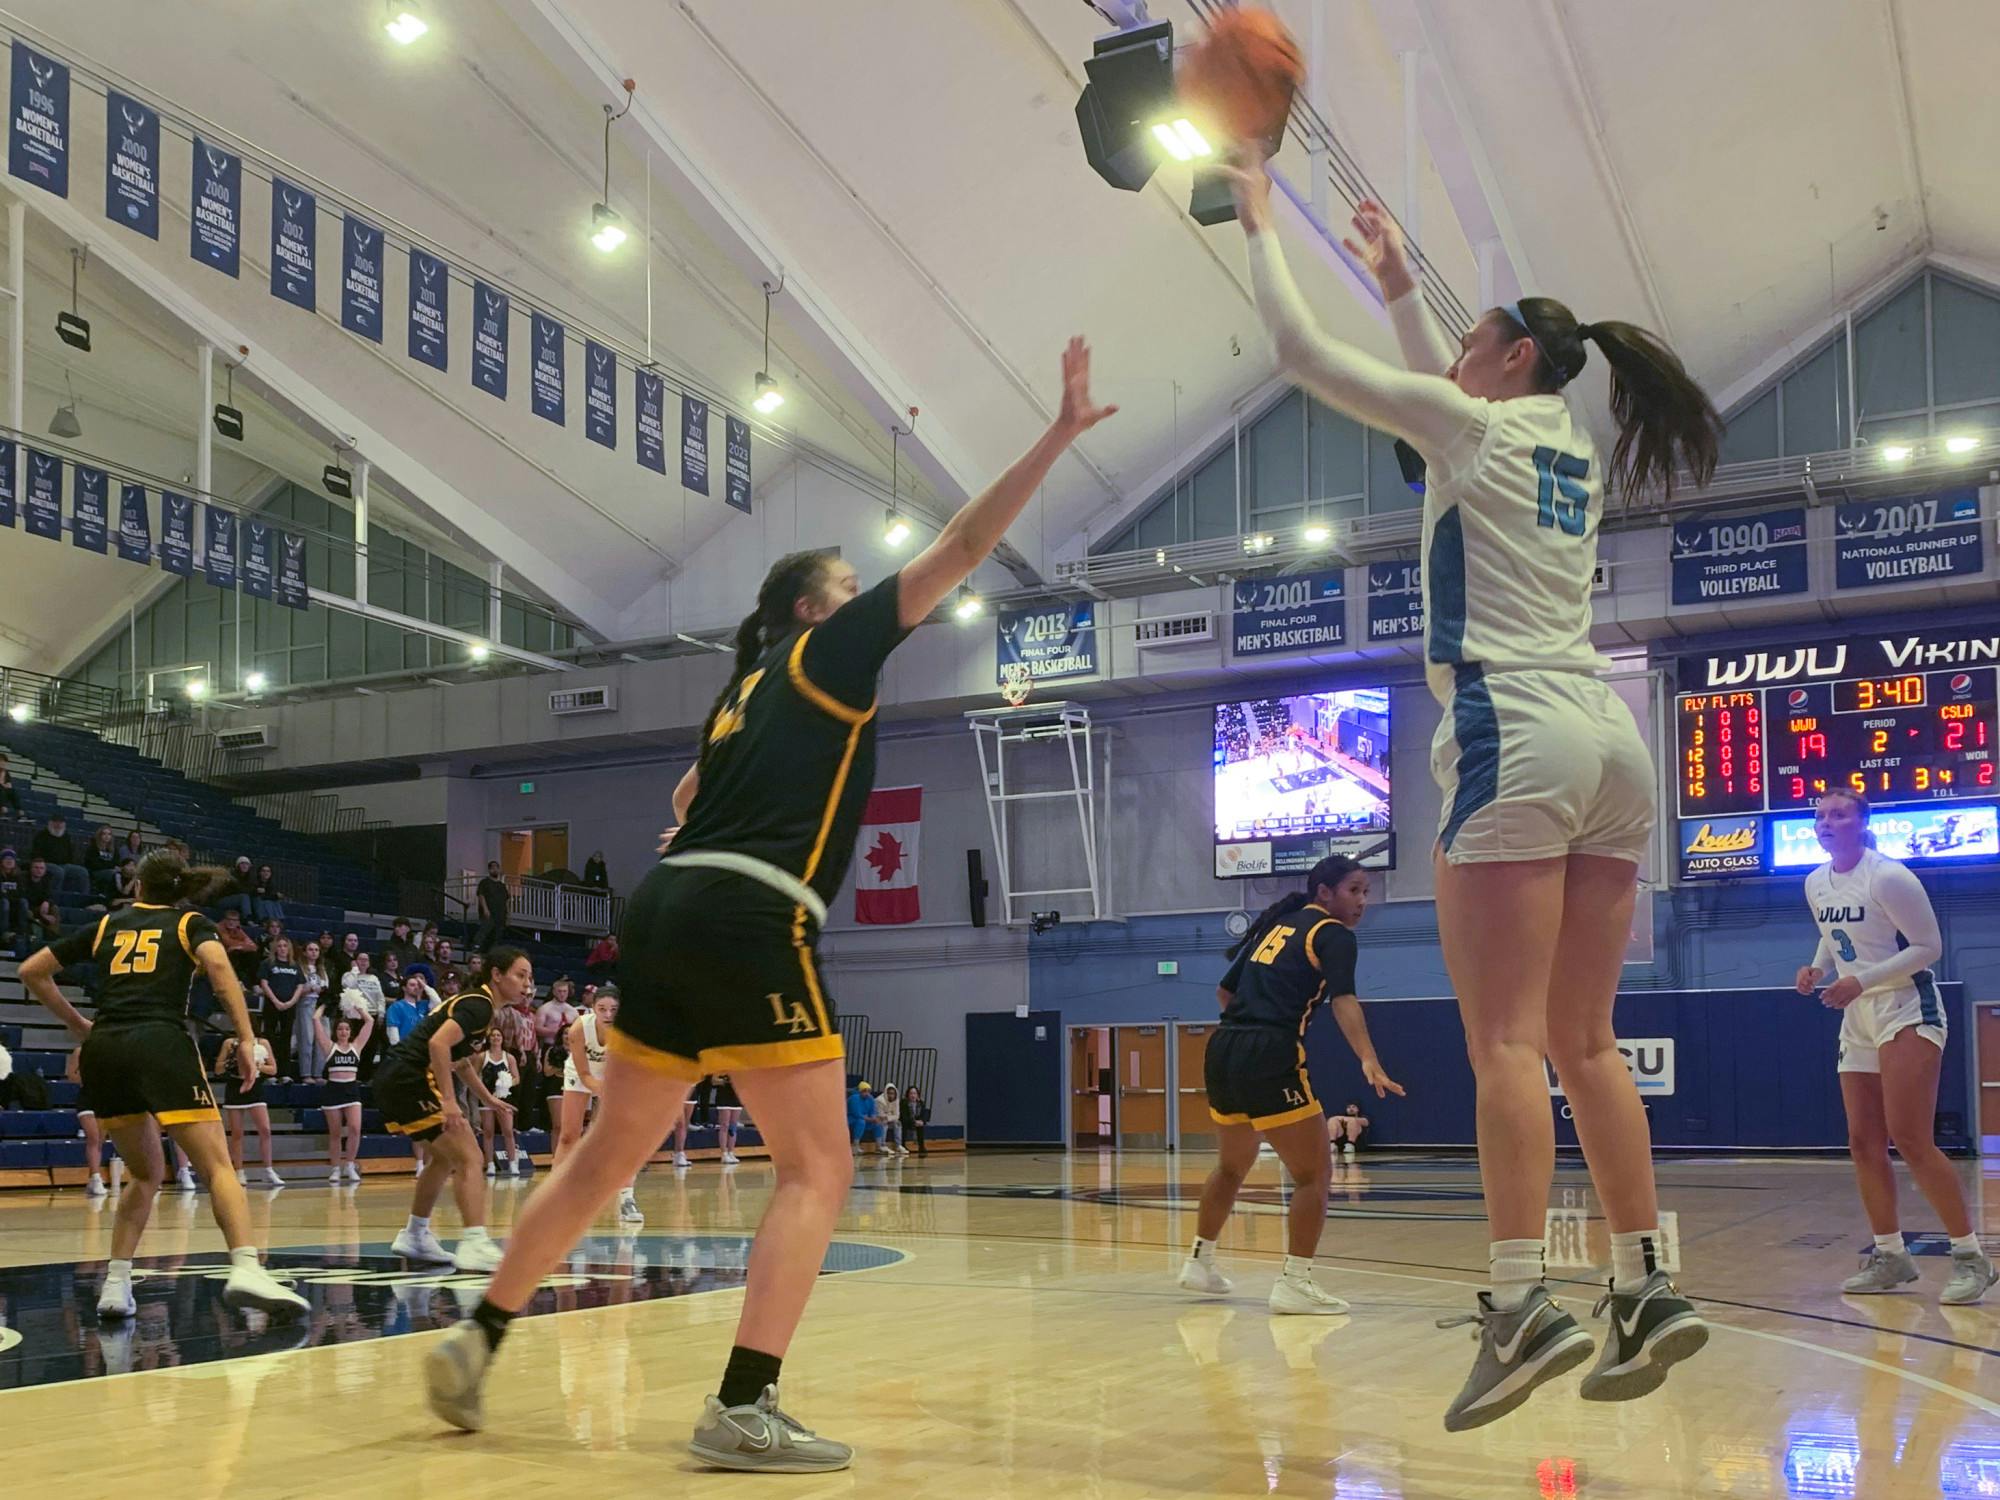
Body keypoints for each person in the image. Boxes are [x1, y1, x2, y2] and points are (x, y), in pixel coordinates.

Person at [424, 338, 1118, 1467]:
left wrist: (699, 827)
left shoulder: (740, 692)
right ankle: (743, 1403)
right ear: (815, 606)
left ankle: (480, 1335)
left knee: (606, 1156)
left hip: (669, 906)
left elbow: (688, 791)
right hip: (750, 915)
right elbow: (966, 544)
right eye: (849, 585)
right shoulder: (827, 653)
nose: (865, 596)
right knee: (818, 1166)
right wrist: (1055, 434)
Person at [1229, 165, 1719, 1429]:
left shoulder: (1477, 426)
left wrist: (1252, 208)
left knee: (1501, 1043)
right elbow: (1437, 419)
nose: (1447, 359)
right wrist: (1399, 285)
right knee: (1584, 1041)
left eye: (1460, 340)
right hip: (1611, 743)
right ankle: (1643, 1280)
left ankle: (1516, 1303)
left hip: (1513, 733)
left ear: (1504, 359)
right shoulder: (1562, 441)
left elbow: (1292, 347)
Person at [16, 849, 307, 1320]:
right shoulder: (189, 924)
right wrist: (249, 1038)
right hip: (160, 1042)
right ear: (181, 890)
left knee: (147, 1173)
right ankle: (247, 1266)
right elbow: (219, 969)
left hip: (106, 1050)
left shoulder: (109, 925)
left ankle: (115, 1283)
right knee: (217, 1167)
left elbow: (31, 970)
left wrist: (79, 1025)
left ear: (138, 888)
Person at [1795, 789, 1996, 1304]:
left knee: (1910, 1137)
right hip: (1857, 1014)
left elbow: (1929, 947)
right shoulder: (1815, 881)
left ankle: (1972, 1257)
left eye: (1838, 814)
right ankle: (1891, 1256)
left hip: (1908, 1005)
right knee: (1862, 1142)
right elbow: (1831, 935)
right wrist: (1817, 968)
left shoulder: (1888, 875)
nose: (1826, 822)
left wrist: (1861, 981)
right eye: (1820, 815)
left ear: (1862, 822)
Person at [1178, 855, 1402, 1316]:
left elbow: (1225, 992)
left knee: (1231, 1167)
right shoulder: (1332, 934)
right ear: (1325, 892)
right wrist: (1368, 1057)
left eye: (1366, 891)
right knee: (1314, 1175)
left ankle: (1200, 1260)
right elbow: (1343, 1001)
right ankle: (1295, 1282)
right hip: (1270, 1051)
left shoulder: (1278, 927)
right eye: (1354, 890)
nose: (1363, 900)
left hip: (1224, 1048)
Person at [371, 945, 526, 1271]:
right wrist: (450, 1101)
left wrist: (488, 1099)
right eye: (521, 975)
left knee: (443, 1159)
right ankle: (475, 1242)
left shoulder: (481, 1008)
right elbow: (437, 1044)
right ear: (497, 975)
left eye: (530, 977)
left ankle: (415, 1234)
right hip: (410, 1077)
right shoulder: (479, 1005)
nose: (528, 984)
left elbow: (462, 1063)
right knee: (471, 1157)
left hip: (395, 1078)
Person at [558, 985, 643, 1223]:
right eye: (602, 1009)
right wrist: (600, 1089)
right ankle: (556, 1197)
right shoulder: (579, 1028)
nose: (608, 1014)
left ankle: (627, 1198)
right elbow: (585, 1074)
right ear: (592, 1008)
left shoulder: (628, 1032)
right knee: (568, 1135)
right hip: (581, 1073)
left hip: (615, 1076)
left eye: (613, 1009)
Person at [215, 1032, 281, 1187]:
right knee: (237, 1133)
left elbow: (273, 1069)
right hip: (235, 1088)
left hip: (255, 1087)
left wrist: (256, 1064)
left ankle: (268, 1170)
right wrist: (232, 1062)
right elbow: (217, 1069)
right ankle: (239, 1171)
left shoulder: (262, 1042)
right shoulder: (229, 1042)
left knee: (265, 1129)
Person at [314, 1008, 372, 1184]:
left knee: (355, 1129)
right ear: (335, 1031)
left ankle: (350, 1164)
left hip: (351, 1090)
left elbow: (369, 1021)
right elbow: (315, 1020)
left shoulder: (356, 1047)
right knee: (336, 1133)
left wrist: (358, 1007)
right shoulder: (329, 1047)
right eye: (340, 1029)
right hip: (333, 1091)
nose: (343, 1032)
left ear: (350, 1032)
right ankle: (335, 1168)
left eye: (346, 1029)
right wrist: (325, 1004)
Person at [257, 936, 304, 1082]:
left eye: (285, 946)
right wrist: (276, 1001)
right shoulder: (268, 963)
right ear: (275, 948)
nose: (282, 948)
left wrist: (291, 1002)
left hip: (289, 1006)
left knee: (286, 1038)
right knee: (269, 1037)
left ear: (289, 948)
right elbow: (264, 983)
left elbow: (300, 986)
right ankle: (269, 1072)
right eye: (279, 946)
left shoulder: (295, 966)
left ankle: (284, 1073)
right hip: (272, 1004)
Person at [478, 1029, 522, 1179]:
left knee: (508, 1130)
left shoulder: (509, 1057)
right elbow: (477, 1077)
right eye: (493, 1036)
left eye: (498, 1035)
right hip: (487, 1097)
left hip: (504, 1096)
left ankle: (512, 1163)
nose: (496, 1038)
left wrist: (506, 1083)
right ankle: (490, 1163)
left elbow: (517, 1078)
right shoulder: (482, 1056)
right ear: (489, 1039)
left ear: (503, 1039)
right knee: (488, 1131)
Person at [67, 1046, 108, 1198]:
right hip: (87, 1098)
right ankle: (96, 1177)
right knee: (93, 1137)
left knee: (100, 1141)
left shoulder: (109, 1051)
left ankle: (93, 1178)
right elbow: (71, 1075)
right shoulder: (80, 1051)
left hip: (104, 1098)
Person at [293, 939, 330, 1083]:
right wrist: (307, 989)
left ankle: (318, 1073)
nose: (314, 952)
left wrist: (321, 990)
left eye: (316, 950)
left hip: (320, 1004)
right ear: (304, 952)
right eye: (310, 949)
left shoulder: (322, 969)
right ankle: (306, 1073)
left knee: (321, 1039)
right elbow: (297, 988)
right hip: (305, 1003)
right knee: (307, 1039)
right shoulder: (299, 968)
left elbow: (326, 987)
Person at [29, 812, 89, 899]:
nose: (58, 824)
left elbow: (71, 854)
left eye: (61, 822)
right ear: (50, 823)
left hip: (64, 865)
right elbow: (36, 854)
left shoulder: (66, 837)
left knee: (82, 872)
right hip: (46, 864)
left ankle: (84, 898)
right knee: (59, 872)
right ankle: (56, 898)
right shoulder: (41, 836)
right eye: (56, 822)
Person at [475, 863, 510, 952]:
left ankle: (492, 952)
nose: (494, 870)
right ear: (489, 870)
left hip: (500, 914)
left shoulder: (502, 886)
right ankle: (476, 948)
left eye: (496, 868)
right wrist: (485, 909)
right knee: (484, 931)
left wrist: (507, 914)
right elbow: (481, 895)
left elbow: (506, 900)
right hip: (489, 913)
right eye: (492, 868)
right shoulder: (484, 882)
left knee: (496, 936)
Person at [84, 826, 123, 905]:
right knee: (113, 873)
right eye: (104, 834)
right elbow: (94, 864)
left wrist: (115, 867)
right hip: (96, 871)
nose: (106, 836)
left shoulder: (114, 849)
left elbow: (117, 862)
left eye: (109, 834)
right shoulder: (93, 847)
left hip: (110, 871)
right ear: (100, 835)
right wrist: (110, 866)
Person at [713, 1073, 743, 1166]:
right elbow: (714, 1081)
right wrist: (726, 1081)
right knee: (724, 1125)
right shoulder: (721, 1067)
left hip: (736, 1096)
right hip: (723, 1096)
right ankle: (724, 1153)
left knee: (733, 1126)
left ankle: (731, 1152)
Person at [848, 1081, 883, 1155]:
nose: (867, 1093)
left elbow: (873, 1111)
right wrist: (871, 1119)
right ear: (859, 1091)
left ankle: (878, 1147)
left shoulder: (870, 1098)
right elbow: (857, 1114)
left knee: (878, 1123)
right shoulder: (854, 1098)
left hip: (865, 1120)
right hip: (852, 1119)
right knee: (861, 1121)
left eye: (868, 1091)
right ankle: (855, 1146)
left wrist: (874, 1118)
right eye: (864, 1091)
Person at [876, 1083, 905, 1156]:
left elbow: (897, 1115)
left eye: (893, 1093)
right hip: (878, 1120)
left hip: (889, 1119)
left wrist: (888, 1117)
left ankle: (898, 1145)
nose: (891, 1095)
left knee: (898, 1123)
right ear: (886, 1093)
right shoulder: (879, 1100)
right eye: (889, 1093)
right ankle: (882, 1145)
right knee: (883, 1123)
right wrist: (890, 1116)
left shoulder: (896, 1100)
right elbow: (880, 1115)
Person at [901, 1084, 929, 1158]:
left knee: (921, 1126)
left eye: (914, 1093)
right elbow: (904, 1116)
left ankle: (921, 1146)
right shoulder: (904, 1103)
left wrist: (922, 1121)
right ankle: (903, 1145)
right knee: (903, 1125)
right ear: (908, 1095)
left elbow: (924, 1115)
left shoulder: (921, 1103)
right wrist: (914, 1122)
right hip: (907, 1121)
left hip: (916, 1122)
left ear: (917, 1095)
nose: (913, 1095)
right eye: (911, 1093)